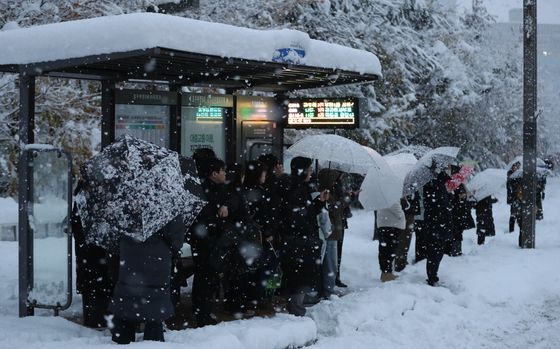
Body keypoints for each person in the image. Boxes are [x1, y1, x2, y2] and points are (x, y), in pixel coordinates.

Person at [109, 215, 185, 344]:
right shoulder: (167, 208)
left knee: (127, 300)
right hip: (158, 262)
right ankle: (153, 340)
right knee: (155, 304)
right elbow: (177, 242)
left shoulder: (125, 206)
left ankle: (122, 339)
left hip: (130, 260)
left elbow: (113, 238)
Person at [282, 156, 328, 316]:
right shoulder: (294, 188)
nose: (311, 172)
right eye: (309, 169)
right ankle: (296, 309)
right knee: (298, 275)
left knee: (301, 274)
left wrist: (319, 202)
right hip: (298, 240)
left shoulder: (303, 187)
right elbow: (297, 216)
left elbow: (307, 214)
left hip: (302, 240)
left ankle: (297, 306)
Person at [187, 158, 228, 327]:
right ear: (214, 174)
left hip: (205, 240)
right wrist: (218, 221)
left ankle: (202, 311)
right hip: (206, 241)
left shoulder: (211, 189)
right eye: (222, 171)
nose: (225, 174)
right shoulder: (206, 191)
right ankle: (202, 314)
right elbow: (205, 219)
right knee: (206, 277)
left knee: (205, 277)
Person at [72, 179, 113, 328]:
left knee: (91, 290)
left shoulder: (82, 197)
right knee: (102, 288)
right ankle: (101, 319)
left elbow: (76, 224)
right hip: (99, 254)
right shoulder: (104, 197)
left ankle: (94, 320)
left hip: (87, 255)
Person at [423, 167, 454, 286]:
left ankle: (432, 275)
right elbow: (439, 204)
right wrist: (448, 198)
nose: (448, 170)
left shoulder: (434, 184)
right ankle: (432, 277)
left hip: (435, 223)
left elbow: (439, 203)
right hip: (437, 223)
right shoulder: (436, 184)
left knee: (435, 251)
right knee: (435, 252)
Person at [317, 168, 345, 297]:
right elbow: (331, 211)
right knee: (330, 263)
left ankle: (329, 287)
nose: (335, 182)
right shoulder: (324, 193)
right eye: (333, 179)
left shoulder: (330, 192)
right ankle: (328, 289)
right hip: (329, 233)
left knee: (330, 262)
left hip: (332, 231)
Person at [376, 201, 406, 282]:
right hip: (391, 224)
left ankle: (385, 273)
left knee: (384, 250)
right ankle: (387, 274)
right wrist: (402, 213)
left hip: (385, 223)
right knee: (389, 250)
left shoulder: (383, 194)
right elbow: (395, 207)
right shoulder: (391, 193)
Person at [394, 194, 420, 272]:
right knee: (405, 236)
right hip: (405, 208)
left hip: (402, 208)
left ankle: (399, 260)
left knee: (403, 236)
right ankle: (400, 262)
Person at [448, 183, 475, 256]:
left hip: (460, 221)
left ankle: (457, 251)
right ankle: (455, 251)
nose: (463, 195)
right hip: (456, 220)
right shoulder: (454, 198)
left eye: (463, 193)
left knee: (458, 235)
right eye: (461, 193)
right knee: (456, 235)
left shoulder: (460, 186)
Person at [507, 162, 522, 233]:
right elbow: (509, 188)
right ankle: (511, 230)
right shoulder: (511, 175)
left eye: (517, 167)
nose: (516, 168)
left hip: (519, 197)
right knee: (513, 214)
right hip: (513, 197)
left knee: (519, 213)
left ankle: (519, 226)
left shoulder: (519, 174)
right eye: (515, 166)